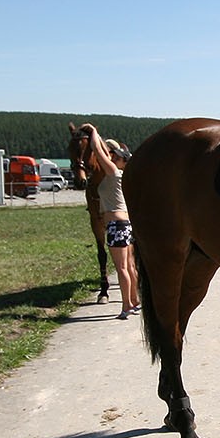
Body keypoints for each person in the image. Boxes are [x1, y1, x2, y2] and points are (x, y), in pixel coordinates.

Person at [81, 124, 139, 319]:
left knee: (121, 267)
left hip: (116, 225)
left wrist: (93, 131)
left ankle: (126, 306)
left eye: (116, 156)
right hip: (125, 224)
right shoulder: (123, 175)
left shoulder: (114, 173)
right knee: (130, 266)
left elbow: (98, 152)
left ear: (122, 160)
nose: (112, 158)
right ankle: (134, 300)